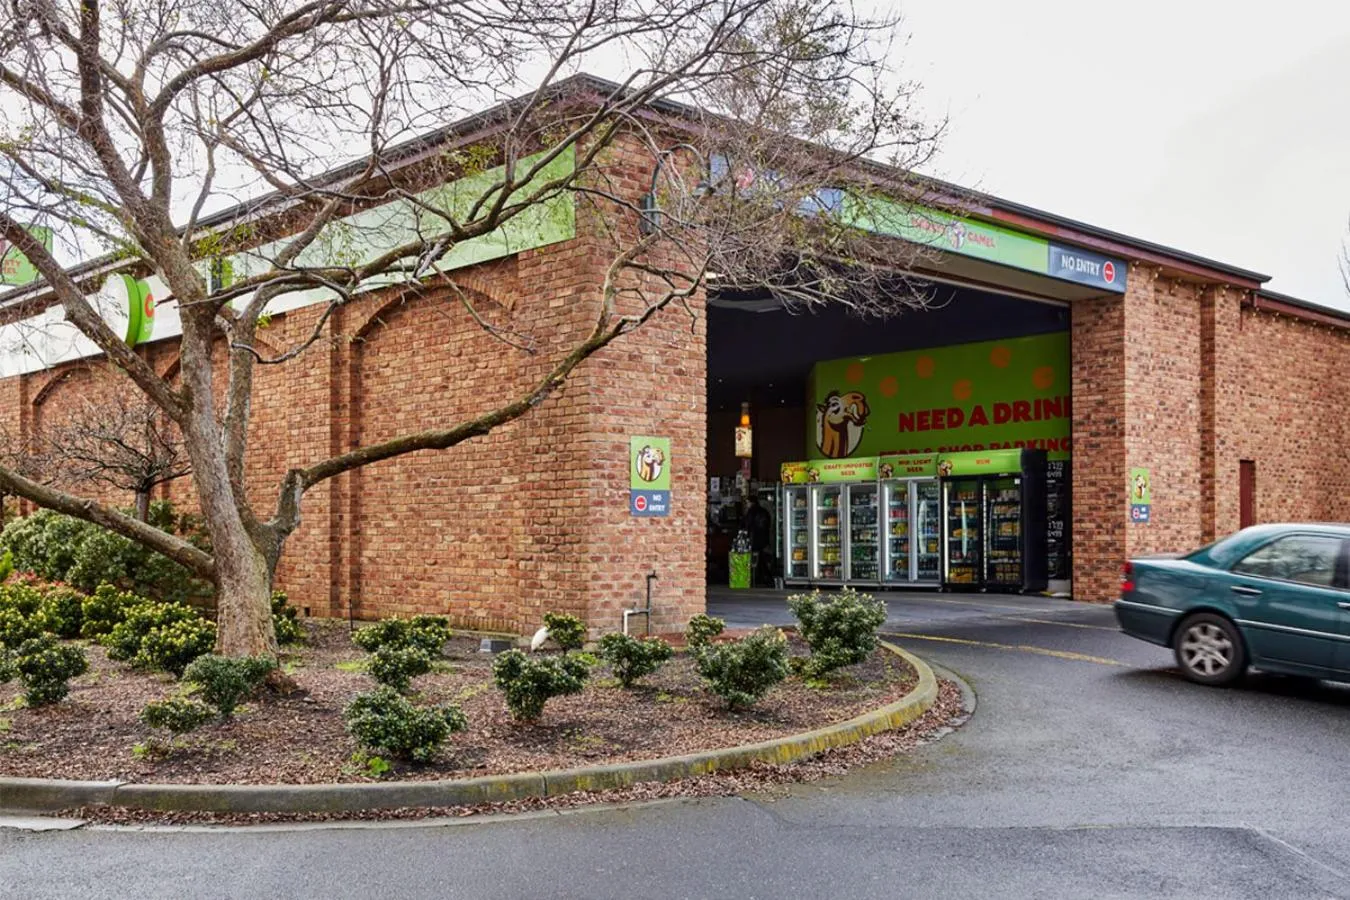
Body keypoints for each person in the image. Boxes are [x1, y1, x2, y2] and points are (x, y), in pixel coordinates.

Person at [744, 494, 773, 587]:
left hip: (754, 538)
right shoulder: (764, 511)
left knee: (756, 559)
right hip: (763, 538)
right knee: (761, 558)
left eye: (747, 502)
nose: (746, 505)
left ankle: (759, 577)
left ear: (751, 502)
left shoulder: (751, 512)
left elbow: (747, 525)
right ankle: (765, 577)